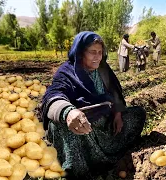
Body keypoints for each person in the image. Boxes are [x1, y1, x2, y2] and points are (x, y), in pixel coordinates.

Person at [40, 31, 146, 179]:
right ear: (81, 52)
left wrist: (117, 114)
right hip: (83, 127)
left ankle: (107, 152)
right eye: (92, 52)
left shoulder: (103, 69)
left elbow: (115, 93)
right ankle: (82, 169)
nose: (97, 57)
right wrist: (69, 112)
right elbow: (53, 95)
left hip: (106, 124)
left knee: (138, 114)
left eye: (100, 52)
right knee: (58, 126)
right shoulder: (67, 72)